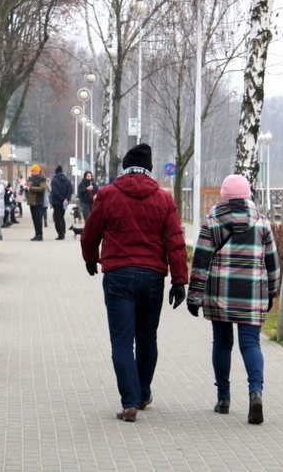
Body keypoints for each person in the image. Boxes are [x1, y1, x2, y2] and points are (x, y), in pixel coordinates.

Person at [80, 143, 188, 422]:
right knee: (147, 338)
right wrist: (179, 281)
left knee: (121, 340)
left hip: (118, 275)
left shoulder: (108, 194)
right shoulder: (164, 199)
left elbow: (90, 233)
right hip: (152, 277)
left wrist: (91, 258)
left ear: (125, 167)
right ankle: (142, 393)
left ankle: (129, 402)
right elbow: (175, 242)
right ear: (149, 169)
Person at [186, 174, 281, 425]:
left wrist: (194, 297)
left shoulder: (213, 221)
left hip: (220, 294)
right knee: (251, 345)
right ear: (248, 195)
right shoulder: (262, 223)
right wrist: (272, 291)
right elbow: (273, 262)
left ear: (224, 197)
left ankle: (223, 398)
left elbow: (201, 261)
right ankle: (255, 392)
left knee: (222, 343)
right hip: (253, 295)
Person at [50, 165, 73, 240]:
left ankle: (60, 233)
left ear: (56, 172)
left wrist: (62, 199)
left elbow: (55, 191)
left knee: (57, 217)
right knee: (62, 216)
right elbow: (70, 190)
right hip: (65, 202)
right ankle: (63, 231)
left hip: (57, 202)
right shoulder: (67, 180)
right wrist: (66, 199)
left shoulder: (54, 180)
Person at [24, 164, 47, 241]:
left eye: (33, 171)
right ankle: (36, 234)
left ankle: (40, 235)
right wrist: (25, 187)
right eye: (32, 171)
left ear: (38, 171)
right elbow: (27, 187)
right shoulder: (30, 178)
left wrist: (30, 188)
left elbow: (42, 188)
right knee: (34, 219)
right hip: (31, 202)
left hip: (38, 201)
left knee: (38, 219)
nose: (32, 172)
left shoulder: (42, 179)